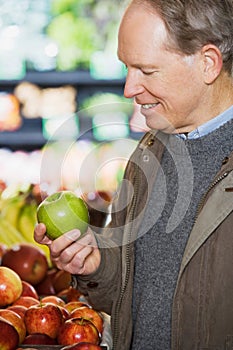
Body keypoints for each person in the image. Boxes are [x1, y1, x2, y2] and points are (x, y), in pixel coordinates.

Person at [34, 0, 233, 349]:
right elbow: (133, 300)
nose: (128, 89)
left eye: (146, 70)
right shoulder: (149, 153)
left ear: (208, 63)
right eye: (127, 67)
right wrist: (95, 265)